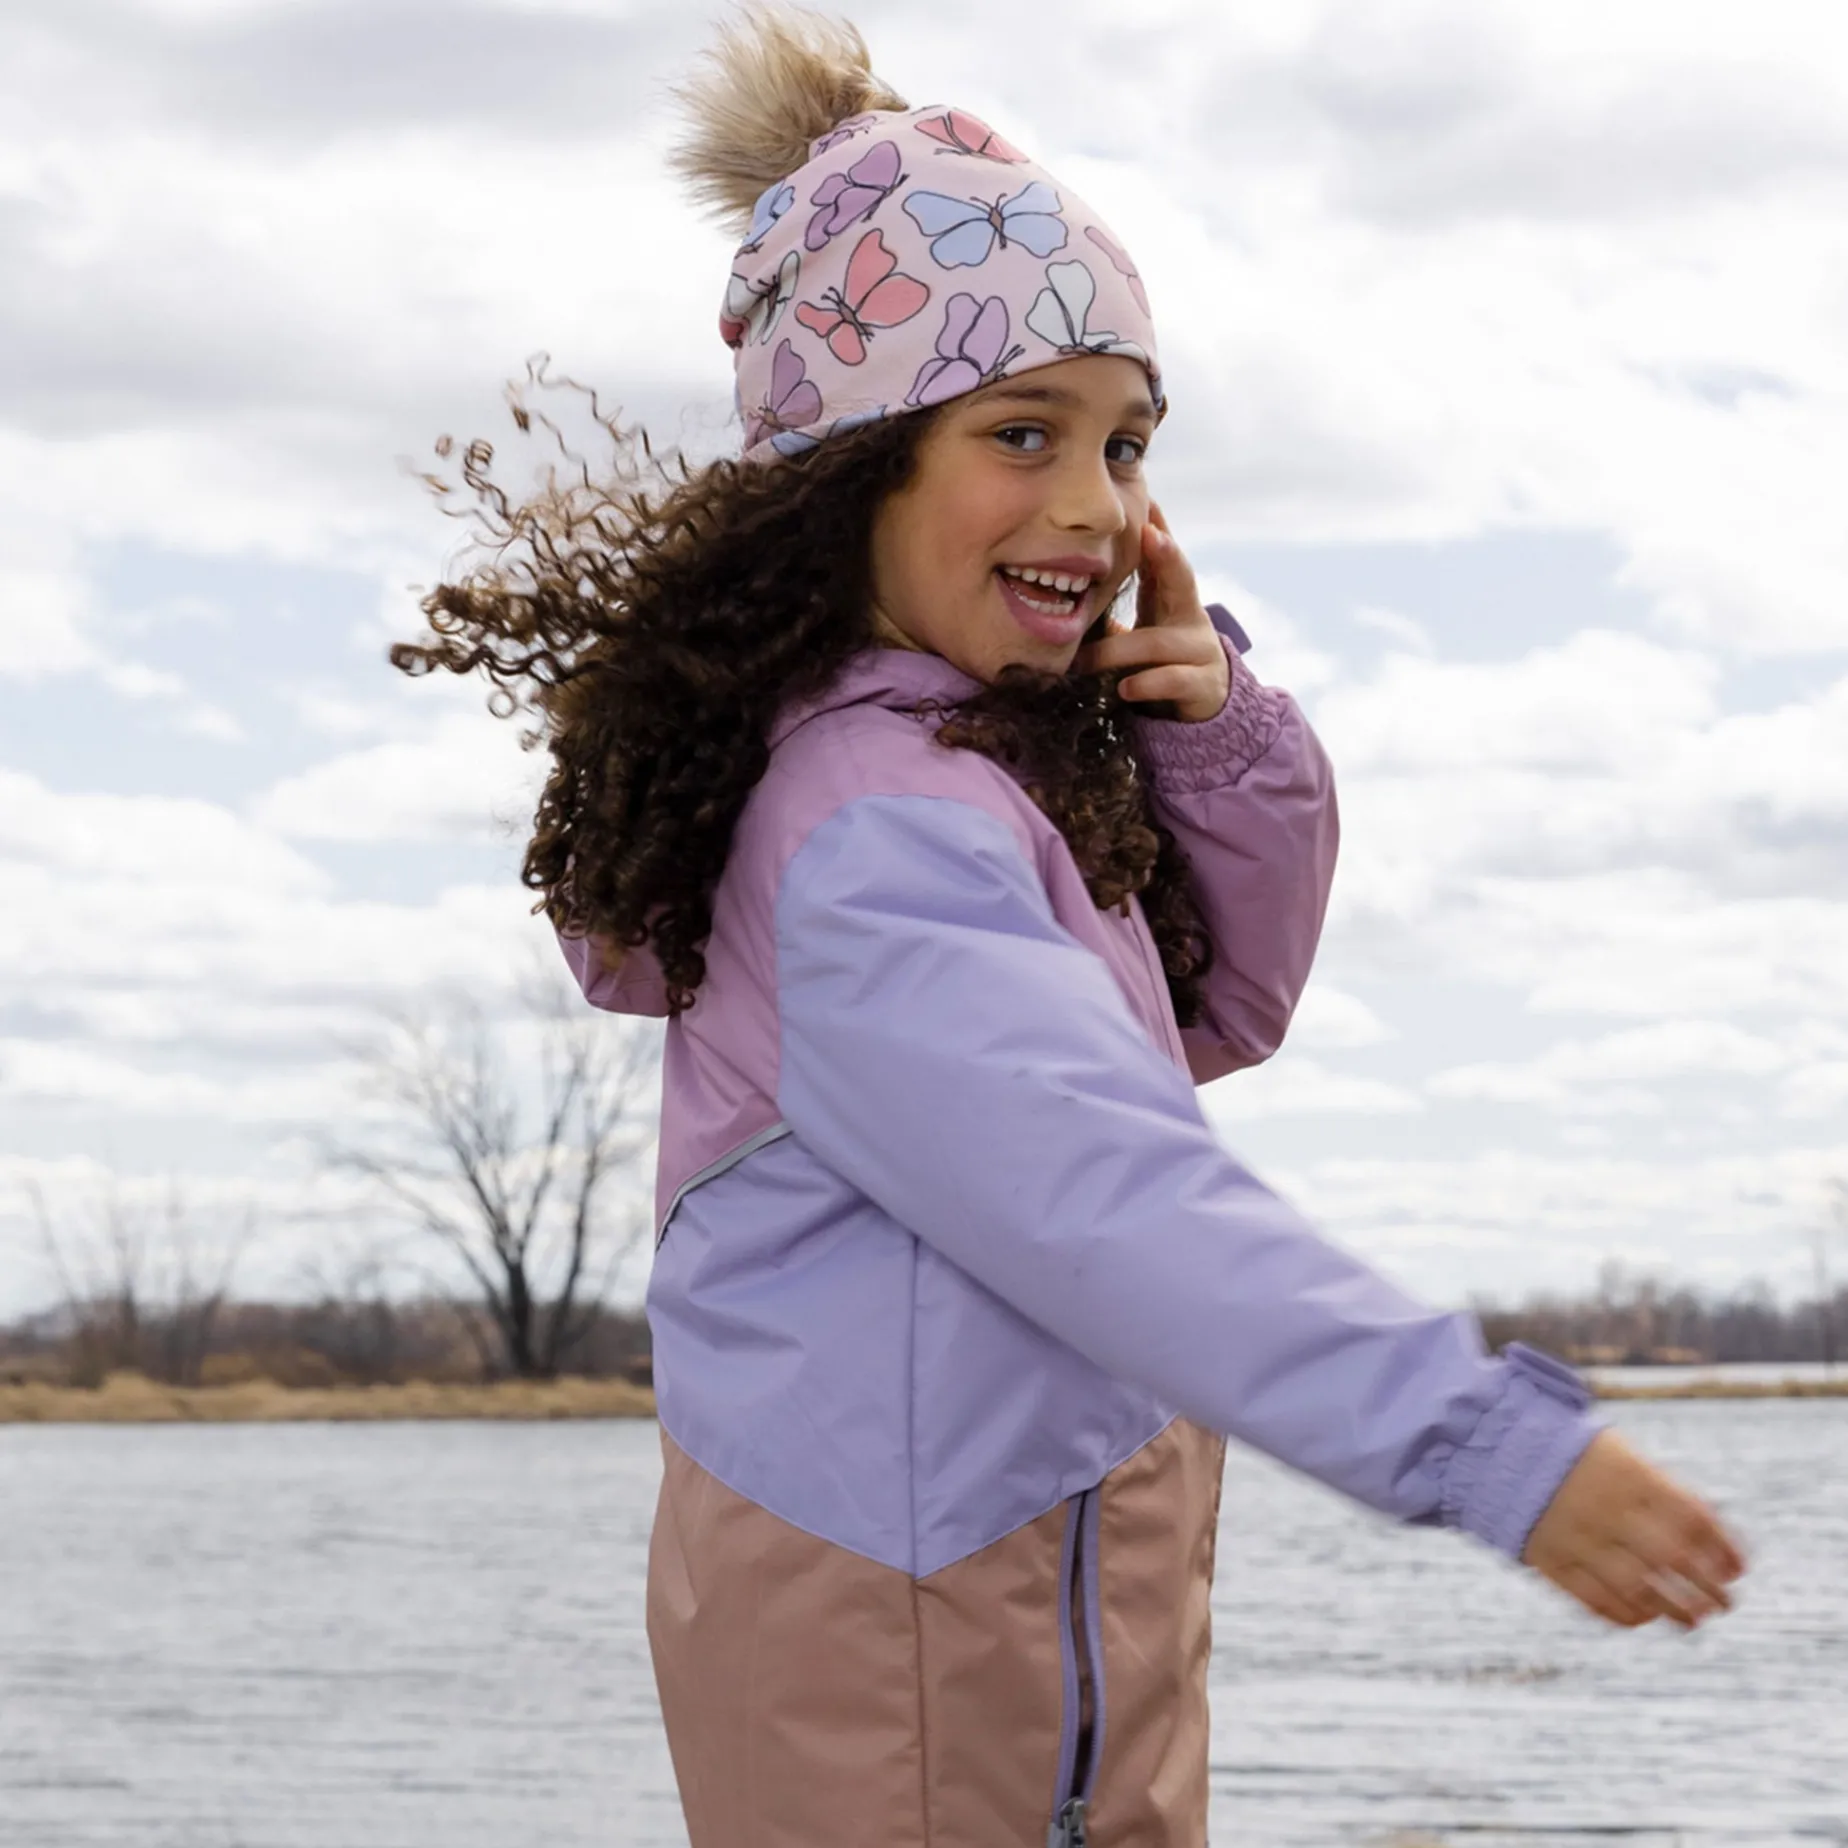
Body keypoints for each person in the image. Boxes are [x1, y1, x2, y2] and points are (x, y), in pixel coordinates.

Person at [393, 9, 1747, 1844]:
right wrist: (1483, 1447)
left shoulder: (966, 791)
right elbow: (1112, 1197)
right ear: (848, 467)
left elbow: (1207, 1017)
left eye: (1126, 444)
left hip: (1030, 1636)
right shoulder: (873, 839)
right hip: (921, 1666)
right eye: (1021, 432)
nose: (1094, 507)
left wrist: (1212, 743)